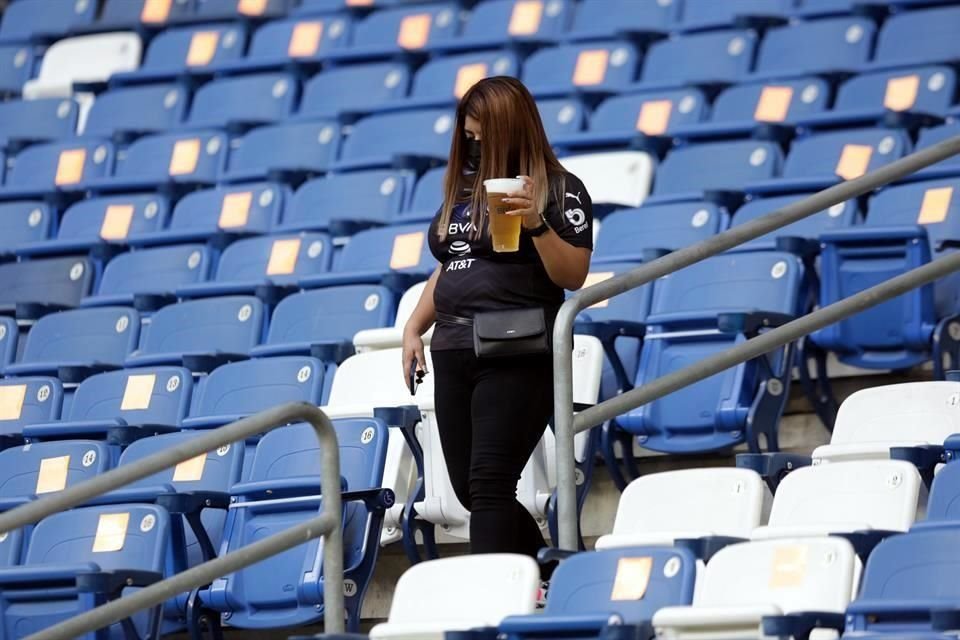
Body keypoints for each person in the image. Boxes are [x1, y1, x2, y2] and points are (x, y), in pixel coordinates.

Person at [401, 76, 594, 566]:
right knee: (471, 489)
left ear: (512, 128)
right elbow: (451, 263)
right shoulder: (465, 189)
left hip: (517, 348)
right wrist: (412, 328)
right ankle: (556, 568)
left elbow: (572, 275)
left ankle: (488, 601)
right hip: (452, 346)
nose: (474, 142)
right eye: (468, 135)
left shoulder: (559, 188)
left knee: (489, 482)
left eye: (483, 133)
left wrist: (535, 221)